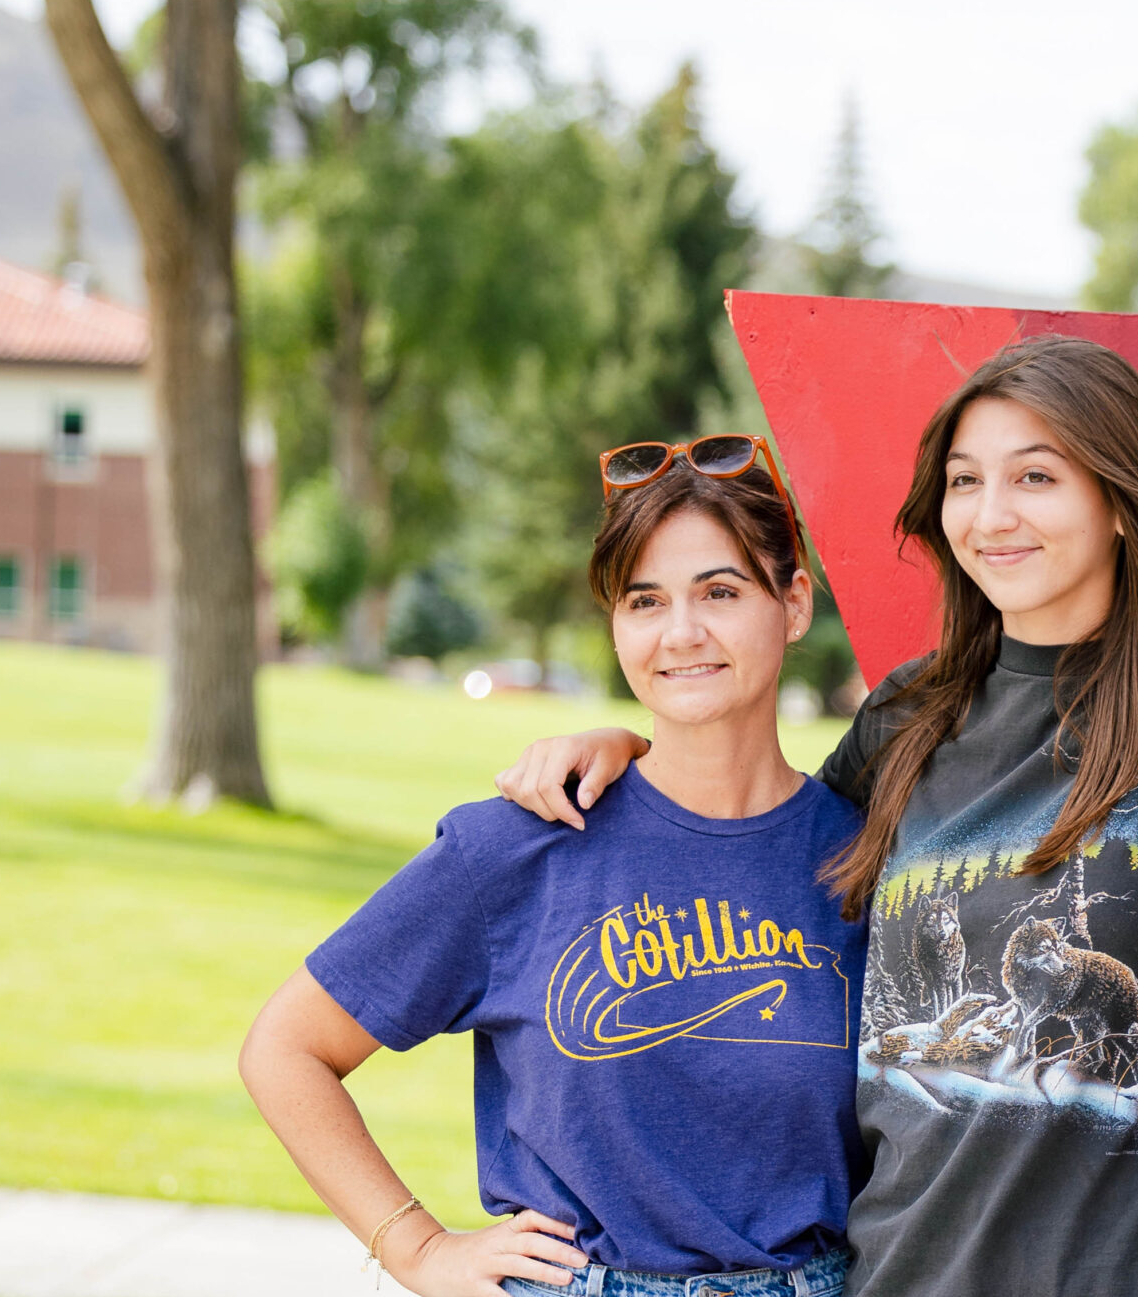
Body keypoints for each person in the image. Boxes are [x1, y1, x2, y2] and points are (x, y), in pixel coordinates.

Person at [494, 338, 1138, 1297]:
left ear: (1119, 501)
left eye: (1034, 477)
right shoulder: (909, 716)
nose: (990, 516)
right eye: (964, 482)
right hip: (897, 1273)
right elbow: (756, 828)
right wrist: (627, 749)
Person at [240, 441, 867, 1297]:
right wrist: (417, 1248)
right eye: (645, 600)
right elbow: (286, 1047)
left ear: (793, 603)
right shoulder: (521, 845)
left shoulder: (870, 857)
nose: (681, 632)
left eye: (720, 591)